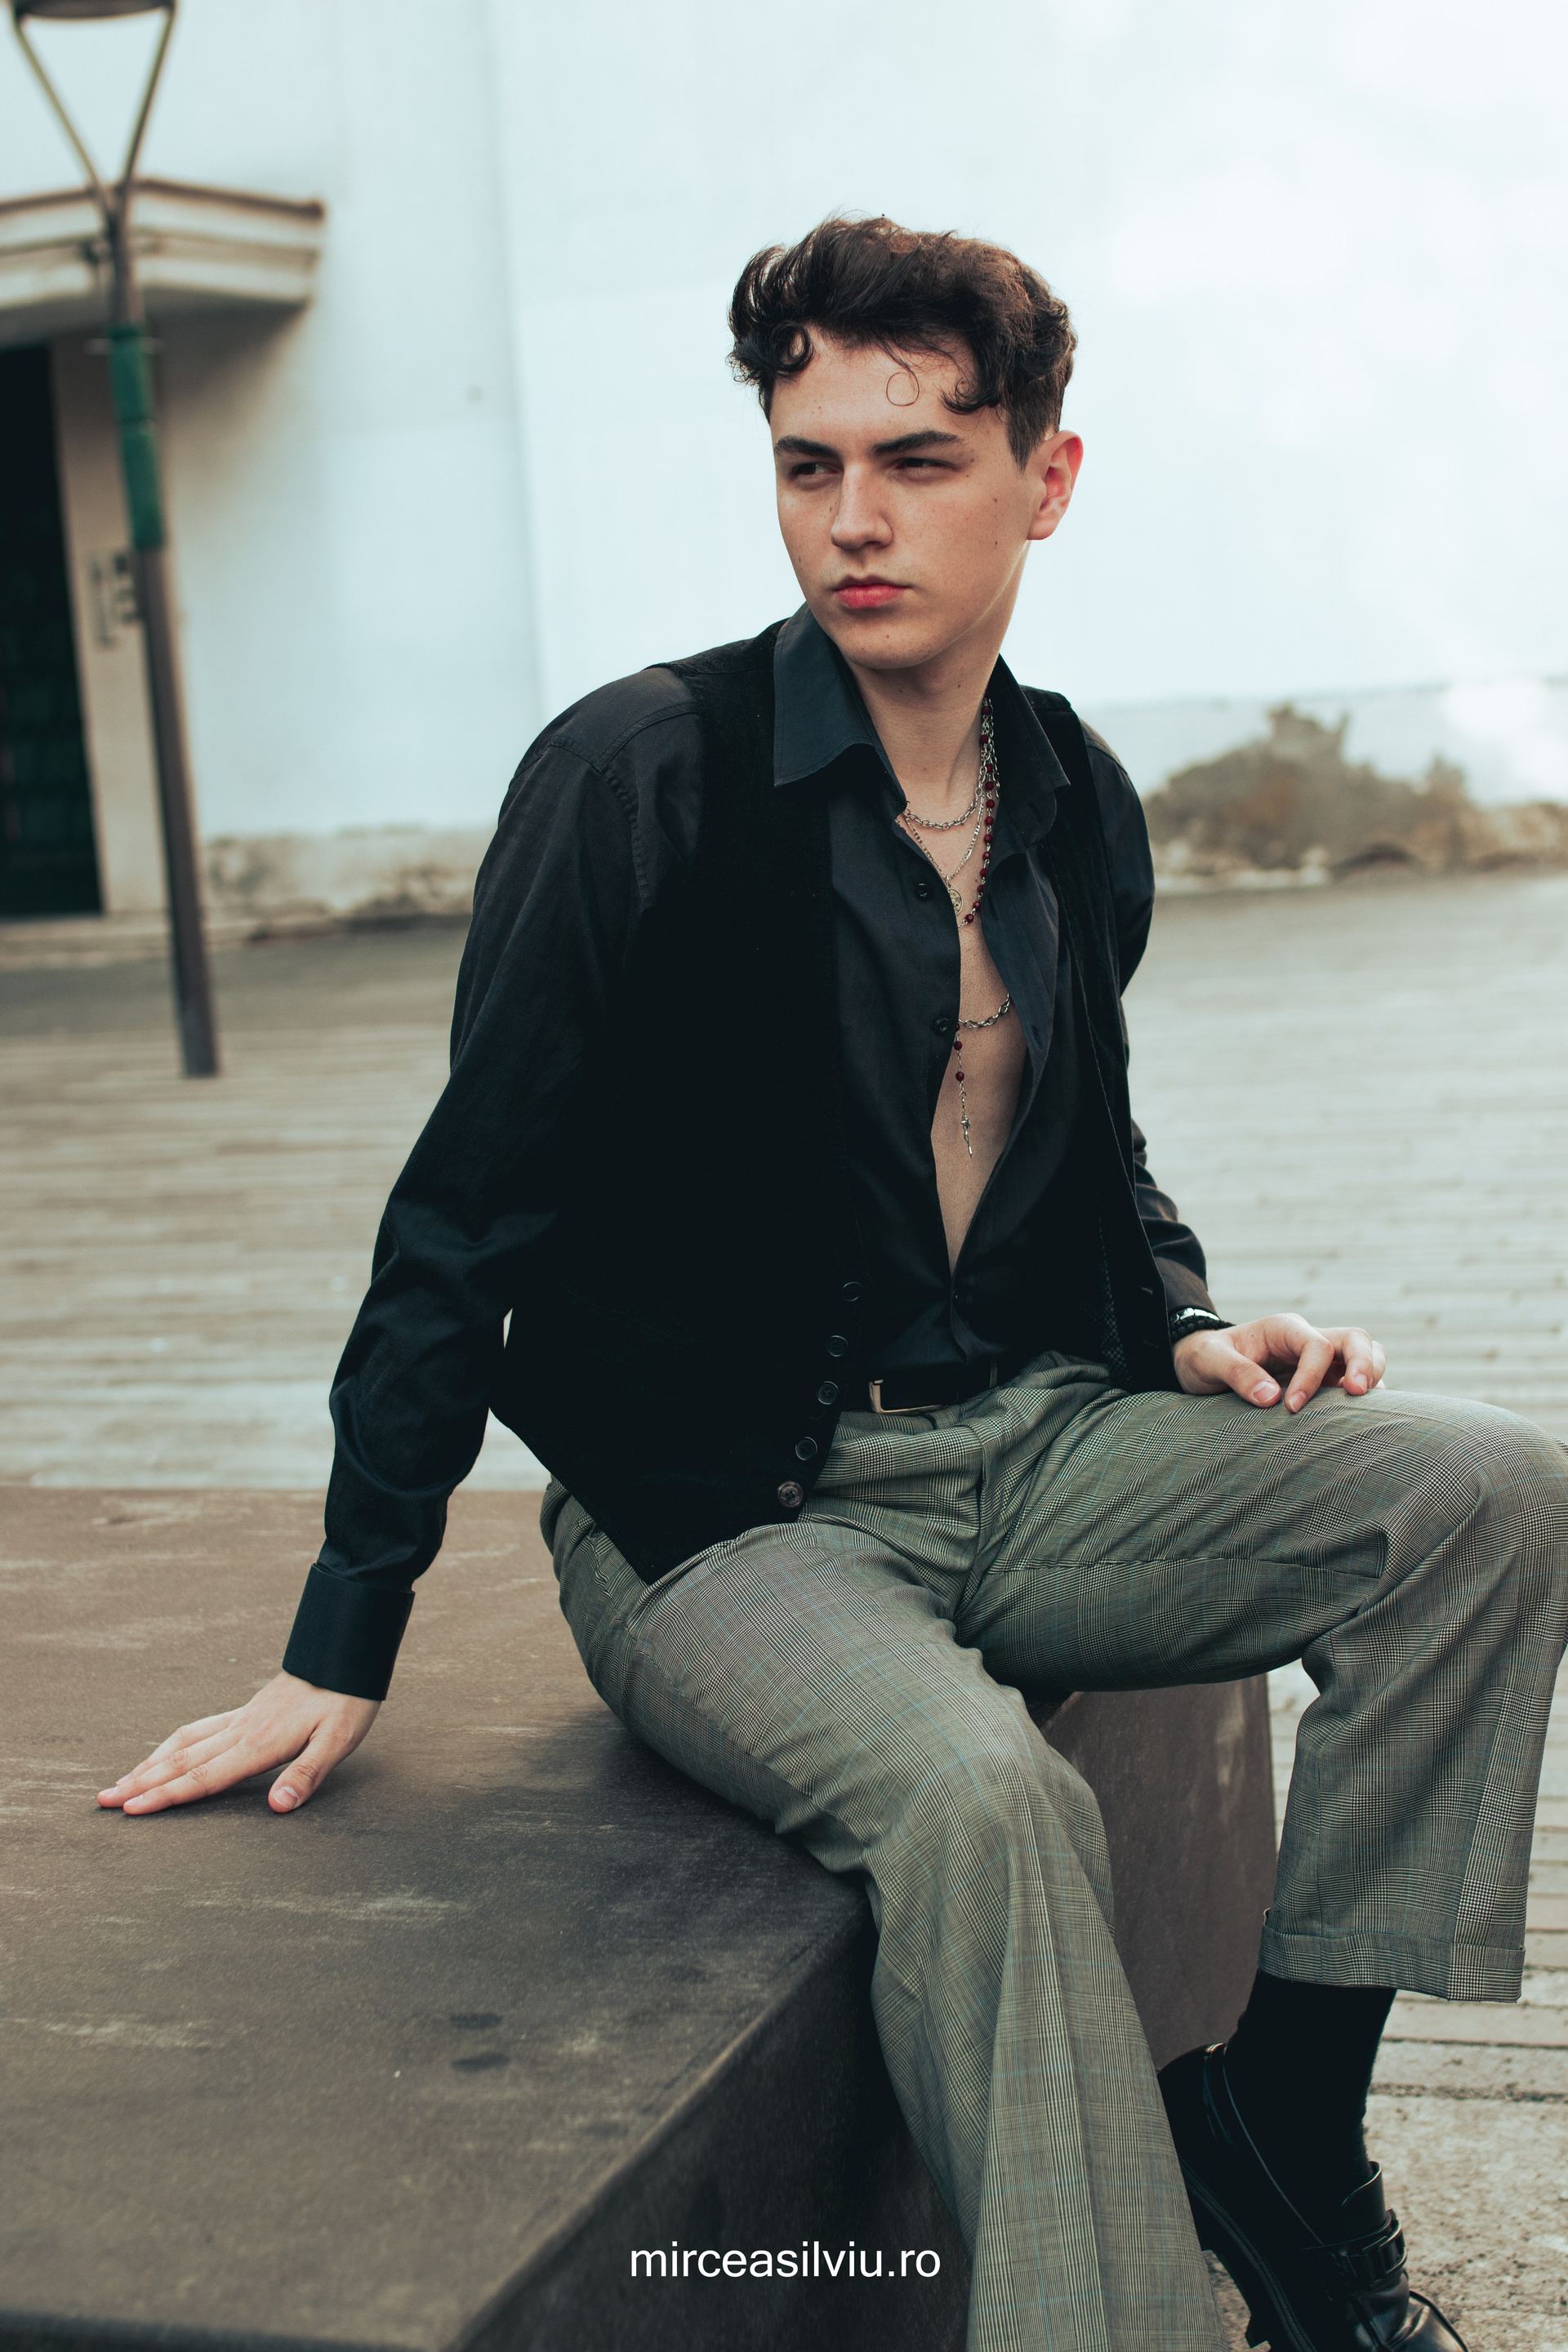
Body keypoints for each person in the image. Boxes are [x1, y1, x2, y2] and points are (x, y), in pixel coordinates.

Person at [100, 217, 1566, 2352]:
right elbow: (461, 1212)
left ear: (1048, 479)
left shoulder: (1073, 796)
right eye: (811, 465)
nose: (854, 520)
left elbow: (1088, 1136)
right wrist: (346, 1630)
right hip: (725, 1519)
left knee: (1486, 1498)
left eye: (919, 459)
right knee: (990, 1806)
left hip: (1034, 1449)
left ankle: (1283, 2127)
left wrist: (1176, 1315)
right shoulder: (639, 776)